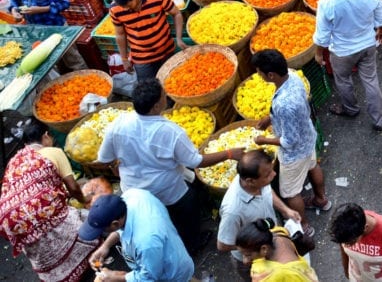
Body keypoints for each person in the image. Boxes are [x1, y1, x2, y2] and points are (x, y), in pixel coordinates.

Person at [97, 78, 239, 254]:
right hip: (167, 190)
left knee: (162, 217)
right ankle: (193, 244)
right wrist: (230, 154)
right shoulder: (170, 131)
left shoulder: (118, 124)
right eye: (164, 95)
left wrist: (115, 167)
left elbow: (104, 160)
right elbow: (196, 162)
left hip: (133, 188)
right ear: (157, 106)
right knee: (186, 211)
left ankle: (173, 238)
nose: (167, 97)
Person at [0, 118, 94, 282]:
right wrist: (85, 199)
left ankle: (54, 277)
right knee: (86, 231)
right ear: (45, 136)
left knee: (39, 243)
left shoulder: (15, 160)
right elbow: (72, 187)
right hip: (35, 211)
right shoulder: (54, 152)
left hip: (9, 220)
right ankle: (77, 266)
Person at [253, 49, 332, 221]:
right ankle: (321, 200)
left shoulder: (284, 104)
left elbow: (289, 141)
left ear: (271, 75)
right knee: (313, 166)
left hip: (294, 153)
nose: (259, 76)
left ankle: (303, 225)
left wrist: (263, 140)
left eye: (260, 73)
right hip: (308, 136)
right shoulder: (293, 77)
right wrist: (270, 117)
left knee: (290, 192)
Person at [315, 0, 382, 130]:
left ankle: (351, 109)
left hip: (342, 52)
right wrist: (381, 29)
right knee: (371, 80)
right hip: (368, 45)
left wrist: (318, 54)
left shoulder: (327, 2)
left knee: (343, 80)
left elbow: (322, 35)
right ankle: (379, 119)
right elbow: (381, 14)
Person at [218, 149, 302, 273]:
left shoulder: (258, 182)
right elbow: (222, 245)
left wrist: (285, 210)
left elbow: (268, 192)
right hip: (253, 260)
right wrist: (253, 248)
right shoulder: (233, 211)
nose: (273, 174)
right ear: (250, 181)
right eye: (268, 174)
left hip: (269, 245)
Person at [81, 190, 194, 282]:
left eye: (103, 230)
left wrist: (116, 277)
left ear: (115, 223)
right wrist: (105, 246)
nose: (101, 233)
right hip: (169, 252)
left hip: (170, 274)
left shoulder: (145, 242)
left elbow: (149, 277)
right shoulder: (132, 196)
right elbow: (121, 228)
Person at [109, 0, 186, 80]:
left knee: (171, 81)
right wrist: (124, 59)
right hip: (141, 57)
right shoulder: (115, 9)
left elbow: (176, 14)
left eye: (128, 6)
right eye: (123, 7)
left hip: (166, 50)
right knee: (148, 88)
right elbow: (120, 34)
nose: (126, 9)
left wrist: (179, 38)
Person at [235, 218, 319, 281]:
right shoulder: (276, 232)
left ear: (264, 249)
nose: (245, 261)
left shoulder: (283, 273)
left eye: (248, 255)